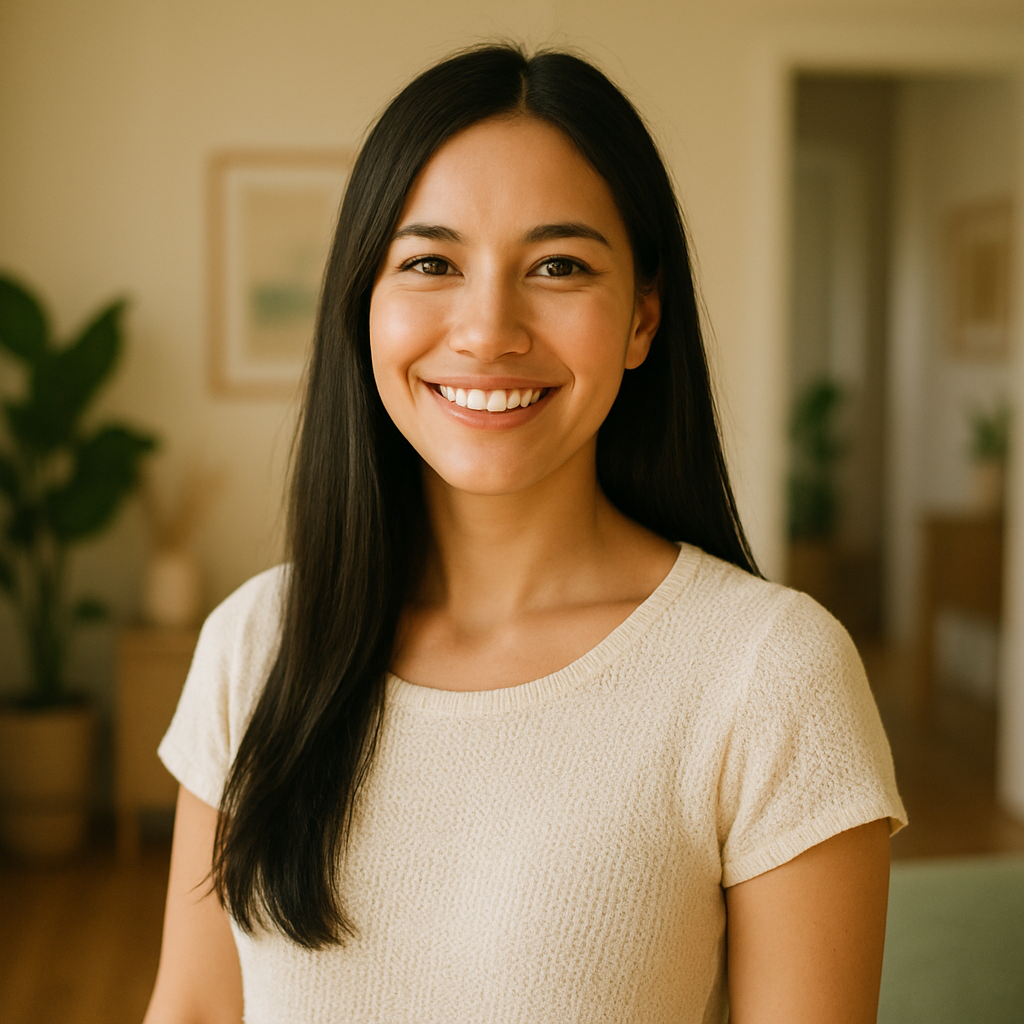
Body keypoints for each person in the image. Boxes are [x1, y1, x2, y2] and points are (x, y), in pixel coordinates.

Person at [143, 44, 906, 1024]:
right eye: (429, 263)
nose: (487, 327)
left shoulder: (768, 671)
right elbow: (195, 1010)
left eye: (557, 265)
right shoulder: (255, 642)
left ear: (640, 321)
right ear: (362, 306)